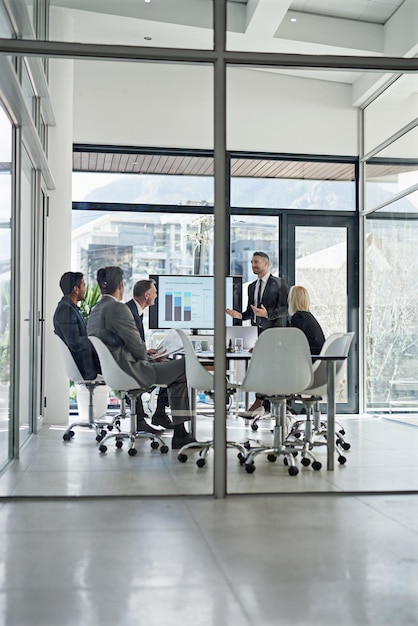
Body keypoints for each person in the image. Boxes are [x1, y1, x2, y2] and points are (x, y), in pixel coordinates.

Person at [87, 266, 195, 449]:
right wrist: (150, 357)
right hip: (131, 371)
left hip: (113, 371)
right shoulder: (118, 308)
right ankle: (180, 433)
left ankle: (169, 421)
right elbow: (137, 349)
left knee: (175, 368)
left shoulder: (96, 310)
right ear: (121, 285)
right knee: (185, 366)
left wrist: (148, 354)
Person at [226, 251, 289, 417]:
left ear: (266, 264)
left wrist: (267, 314)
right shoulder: (252, 287)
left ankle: (268, 405)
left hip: (276, 336)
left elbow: (285, 309)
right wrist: (239, 315)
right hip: (259, 335)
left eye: (256, 262)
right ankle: (262, 405)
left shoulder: (280, 284)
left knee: (273, 370)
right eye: (252, 262)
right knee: (261, 369)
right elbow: (250, 312)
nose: (253, 265)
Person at [126, 279, 173, 430]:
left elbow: (130, 344)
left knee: (167, 364)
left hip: (132, 360)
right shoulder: (130, 313)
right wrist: (149, 358)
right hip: (131, 366)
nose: (157, 295)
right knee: (172, 369)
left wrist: (147, 353)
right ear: (147, 295)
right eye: (155, 292)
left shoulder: (133, 310)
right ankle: (157, 414)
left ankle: (159, 413)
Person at [53, 271, 100, 381]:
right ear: (76, 289)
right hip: (85, 366)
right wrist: (97, 340)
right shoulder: (66, 310)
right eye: (83, 285)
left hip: (86, 362)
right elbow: (75, 342)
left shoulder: (70, 308)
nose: (85, 288)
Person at [288, 285, 325, 356]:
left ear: (292, 300)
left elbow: (294, 343)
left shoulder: (298, 318)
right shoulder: (308, 316)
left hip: (310, 359)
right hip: (318, 357)